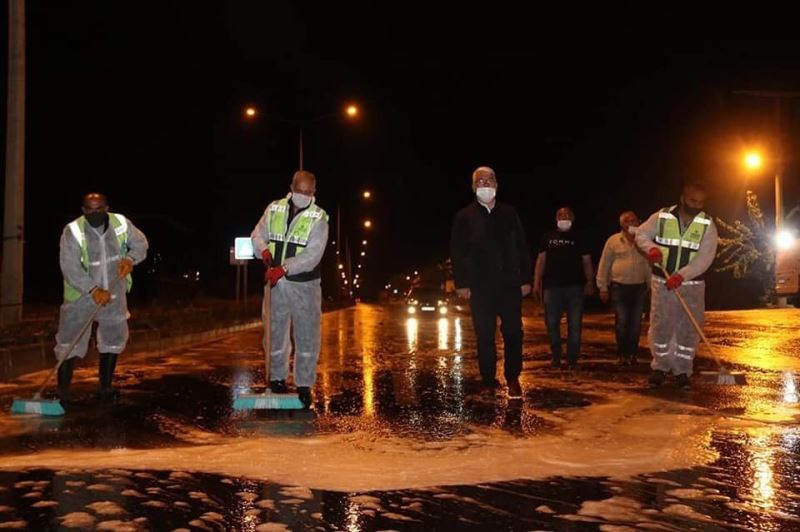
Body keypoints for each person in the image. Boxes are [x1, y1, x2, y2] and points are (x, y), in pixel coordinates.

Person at [55, 193, 148, 402]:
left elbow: (140, 244)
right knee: (69, 340)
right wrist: (93, 290)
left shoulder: (121, 223)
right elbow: (69, 267)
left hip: (114, 292)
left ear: (107, 207)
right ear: (83, 210)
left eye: (99, 209)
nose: (94, 213)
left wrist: (130, 259)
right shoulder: (73, 231)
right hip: (81, 295)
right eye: (89, 210)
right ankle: (62, 391)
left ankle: (105, 388)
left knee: (113, 338)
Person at [450, 166, 532, 399]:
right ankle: (488, 380)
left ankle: (513, 378)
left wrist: (525, 279)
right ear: (473, 187)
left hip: (509, 284)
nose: (486, 185)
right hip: (480, 286)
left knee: (514, 332)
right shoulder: (464, 216)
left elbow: (522, 246)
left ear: (497, 184)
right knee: (485, 335)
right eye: (480, 181)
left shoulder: (510, 213)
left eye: (490, 180)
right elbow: (458, 252)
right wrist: (462, 283)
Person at [251, 170, 329, 408]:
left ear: (314, 193)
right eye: (300, 191)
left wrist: (284, 268)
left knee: (307, 336)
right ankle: (277, 380)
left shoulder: (319, 218)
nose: (303, 195)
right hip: (276, 286)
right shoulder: (274, 208)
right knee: (274, 334)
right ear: (291, 187)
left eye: (308, 192)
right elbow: (257, 235)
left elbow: (313, 255)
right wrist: (263, 251)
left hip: (305, 286)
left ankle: (304, 386)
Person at [635, 181, 718, 389]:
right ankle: (660, 367)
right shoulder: (661, 216)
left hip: (692, 285)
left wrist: (682, 275)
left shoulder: (707, 225)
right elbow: (641, 234)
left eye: (700, 202)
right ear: (682, 198)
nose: (696, 205)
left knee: (689, 327)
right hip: (662, 282)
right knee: (661, 323)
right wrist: (652, 249)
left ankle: (683, 370)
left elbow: (705, 257)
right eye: (692, 200)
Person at [533, 207, 594, 370]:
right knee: (552, 322)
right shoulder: (548, 236)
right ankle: (556, 355)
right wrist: (536, 282)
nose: (563, 217)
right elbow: (541, 260)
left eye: (567, 215)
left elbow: (586, 261)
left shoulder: (579, 237)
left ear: (573, 218)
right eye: (560, 214)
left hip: (575, 287)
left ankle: (572, 359)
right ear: (555, 218)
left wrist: (590, 282)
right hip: (552, 287)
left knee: (575, 324)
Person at [596, 211, 651, 365]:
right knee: (622, 321)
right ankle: (622, 354)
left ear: (639, 222)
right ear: (622, 224)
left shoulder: (644, 241)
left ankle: (632, 354)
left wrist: (651, 284)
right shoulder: (613, 241)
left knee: (635, 324)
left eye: (634, 220)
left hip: (639, 288)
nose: (631, 223)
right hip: (619, 287)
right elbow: (604, 264)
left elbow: (648, 265)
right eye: (627, 220)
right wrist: (603, 287)